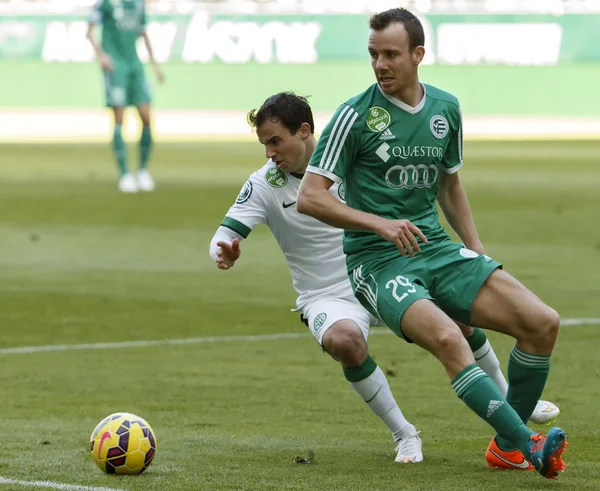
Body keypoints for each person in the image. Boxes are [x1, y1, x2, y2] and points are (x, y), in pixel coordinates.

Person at [210, 92, 559, 465]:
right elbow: (222, 235)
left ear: (305, 131)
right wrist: (224, 250)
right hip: (328, 294)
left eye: (275, 141)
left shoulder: (349, 161)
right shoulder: (265, 184)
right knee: (344, 342)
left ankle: (510, 404)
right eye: (264, 144)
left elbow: (437, 186)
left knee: (457, 315)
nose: (269, 153)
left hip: (387, 271)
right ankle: (404, 434)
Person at [297, 7, 567, 479]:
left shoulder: (445, 108)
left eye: (391, 54)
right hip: (377, 262)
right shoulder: (353, 116)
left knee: (542, 323)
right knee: (449, 338)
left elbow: (449, 186)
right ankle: (529, 444)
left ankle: (506, 447)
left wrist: (476, 247)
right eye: (373, 54)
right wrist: (377, 224)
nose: (381, 64)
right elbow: (310, 198)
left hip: (437, 248)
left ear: (418, 55)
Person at [87, 0, 164, 193]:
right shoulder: (106, 3)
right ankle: (124, 174)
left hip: (135, 65)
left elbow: (143, 32)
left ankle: (143, 170)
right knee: (119, 118)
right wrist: (102, 56)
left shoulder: (138, 4)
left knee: (146, 116)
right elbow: (89, 31)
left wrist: (155, 65)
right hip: (116, 66)